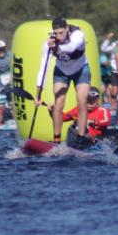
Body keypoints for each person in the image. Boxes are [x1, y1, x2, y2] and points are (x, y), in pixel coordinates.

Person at [35, 17, 90, 145]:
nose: (58, 36)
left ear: (67, 29)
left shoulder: (78, 35)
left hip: (81, 70)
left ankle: (81, 138)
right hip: (62, 72)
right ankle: (57, 140)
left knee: (82, 101)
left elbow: (71, 48)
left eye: (61, 33)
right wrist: (38, 94)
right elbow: (43, 68)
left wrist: (57, 48)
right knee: (59, 102)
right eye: (56, 33)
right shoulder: (48, 44)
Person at [100, 31, 118, 110]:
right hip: (115, 71)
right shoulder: (115, 45)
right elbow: (103, 48)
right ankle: (113, 107)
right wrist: (107, 39)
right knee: (114, 91)